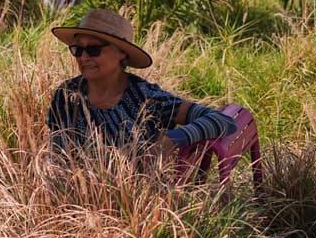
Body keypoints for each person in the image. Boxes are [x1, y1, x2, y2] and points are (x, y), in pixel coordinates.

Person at [46, 9, 237, 157]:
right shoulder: (67, 94)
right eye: (77, 49)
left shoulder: (145, 97)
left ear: (121, 53)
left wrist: (172, 140)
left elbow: (222, 120)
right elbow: (56, 152)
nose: (84, 57)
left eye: (94, 49)